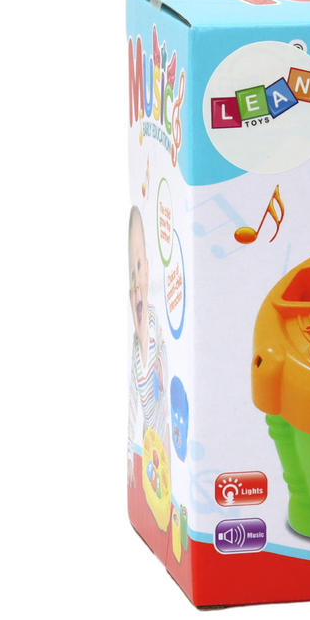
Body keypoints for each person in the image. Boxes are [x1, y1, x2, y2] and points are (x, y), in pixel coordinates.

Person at [127, 206, 169, 486]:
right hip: (148, 437)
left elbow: (164, 353)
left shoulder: (154, 323)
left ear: (149, 273)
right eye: (131, 273)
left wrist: (161, 368)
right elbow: (132, 404)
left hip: (164, 427)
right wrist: (129, 457)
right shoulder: (134, 349)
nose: (136, 284)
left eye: (140, 267)